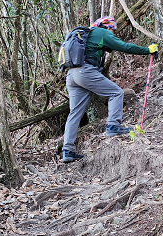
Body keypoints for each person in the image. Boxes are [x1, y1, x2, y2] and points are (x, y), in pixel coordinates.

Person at [62, 16, 158, 162]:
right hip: (85, 72)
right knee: (116, 93)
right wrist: (147, 50)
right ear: (107, 27)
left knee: (75, 112)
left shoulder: (87, 35)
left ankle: (67, 150)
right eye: (113, 30)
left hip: (71, 75)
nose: (113, 33)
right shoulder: (102, 33)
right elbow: (124, 46)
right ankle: (113, 126)